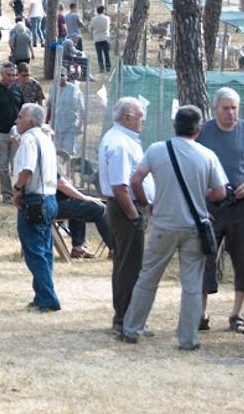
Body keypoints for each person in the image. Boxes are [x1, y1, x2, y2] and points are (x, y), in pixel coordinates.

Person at [121, 105, 228, 349]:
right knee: (191, 284)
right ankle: (188, 338)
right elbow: (220, 192)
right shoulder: (207, 155)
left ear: (174, 125)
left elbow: (136, 179)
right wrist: (202, 195)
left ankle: (131, 329)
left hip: (163, 225)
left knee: (148, 277)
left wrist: (147, 204)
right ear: (198, 130)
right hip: (194, 226)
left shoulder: (157, 149)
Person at [196, 87, 244, 335]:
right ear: (215, 109)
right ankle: (201, 314)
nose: (231, 113)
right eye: (226, 108)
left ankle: (236, 314)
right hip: (211, 205)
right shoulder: (203, 132)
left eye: (234, 108)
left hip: (243, 205)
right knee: (204, 257)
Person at [99, 97, 147, 337]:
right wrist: (134, 216)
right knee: (129, 266)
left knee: (126, 264)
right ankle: (125, 318)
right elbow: (120, 186)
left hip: (125, 208)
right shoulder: (120, 144)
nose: (143, 120)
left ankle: (127, 316)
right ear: (127, 117)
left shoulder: (123, 140)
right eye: (139, 116)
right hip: (125, 208)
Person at [11, 103, 61, 311]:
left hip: (35, 200)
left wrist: (17, 189)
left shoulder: (29, 139)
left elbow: (27, 169)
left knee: (34, 251)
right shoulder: (46, 138)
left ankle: (48, 298)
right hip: (49, 198)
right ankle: (41, 295)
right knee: (45, 250)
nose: (17, 120)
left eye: (21, 117)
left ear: (31, 121)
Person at [0, 63, 24, 204]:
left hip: (15, 134)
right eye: (9, 75)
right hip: (0, 133)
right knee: (3, 167)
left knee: (17, 165)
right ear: (2, 74)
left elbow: (23, 109)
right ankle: (7, 195)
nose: (12, 78)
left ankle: (17, 193)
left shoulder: (18, 89)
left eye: (14, 75)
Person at [56, 174, 109, 260]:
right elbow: (61, 184)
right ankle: (114, 249)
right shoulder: (44, 161)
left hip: (47, 204)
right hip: (51, 205)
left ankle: (78, 247)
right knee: (99, 208)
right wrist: (84, 197)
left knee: (78, 204)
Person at [47, 68, 85, 156]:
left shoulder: (74, 90)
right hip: (56, 127)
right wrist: (47, 121)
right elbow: (50, 105)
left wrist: (80, 126)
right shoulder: (53, 89)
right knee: (55, 152)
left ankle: (68, 170)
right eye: (58, 76)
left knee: (69, 153)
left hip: (70, 127)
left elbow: (82, 109)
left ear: (67, 76)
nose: (60, 78)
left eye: (62, 75)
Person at [90, 6, 111, 73]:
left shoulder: (94, 19)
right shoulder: (107, 18)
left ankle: (101, 67)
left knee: (99, 54)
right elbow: (108, 25)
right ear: (103, 11)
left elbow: (91, 27)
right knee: (106, 53)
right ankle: (108, 67)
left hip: (97, 38)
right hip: (105, 37)